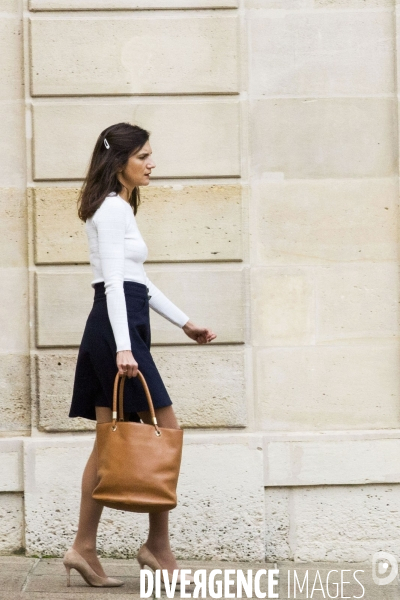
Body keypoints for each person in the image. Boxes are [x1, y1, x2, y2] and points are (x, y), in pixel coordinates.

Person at [63, 122, 217, 588]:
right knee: (165, 430)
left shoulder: (120, 208)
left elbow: (136, 280)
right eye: (144, 156)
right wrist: (125, 347)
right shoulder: (112, 210)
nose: (152, 164)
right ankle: (158, 547)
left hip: (118, 326)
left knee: (108, 440)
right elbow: (113, 283)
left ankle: (83, 548)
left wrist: (184, 321)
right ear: (120, 161)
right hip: (116, 332)